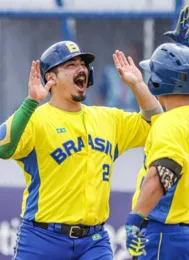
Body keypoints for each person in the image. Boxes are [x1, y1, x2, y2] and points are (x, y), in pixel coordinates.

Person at [0, 40, 163, 259]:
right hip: (42, 239)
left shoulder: (108, 119)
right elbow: (3, 147)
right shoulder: (35, 118)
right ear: (51, 78)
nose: (81, 69)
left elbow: (157, 125)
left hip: (94, 242)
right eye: (70, 65)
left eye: (83, 65)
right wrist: (31, 102)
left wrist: (137, 85)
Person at [123, 7, 189, 260]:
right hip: (187, 234)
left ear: (160, 82)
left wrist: (135, 218)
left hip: (161, 234)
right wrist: (187, 47)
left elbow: (161, 175)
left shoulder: (169, 123)